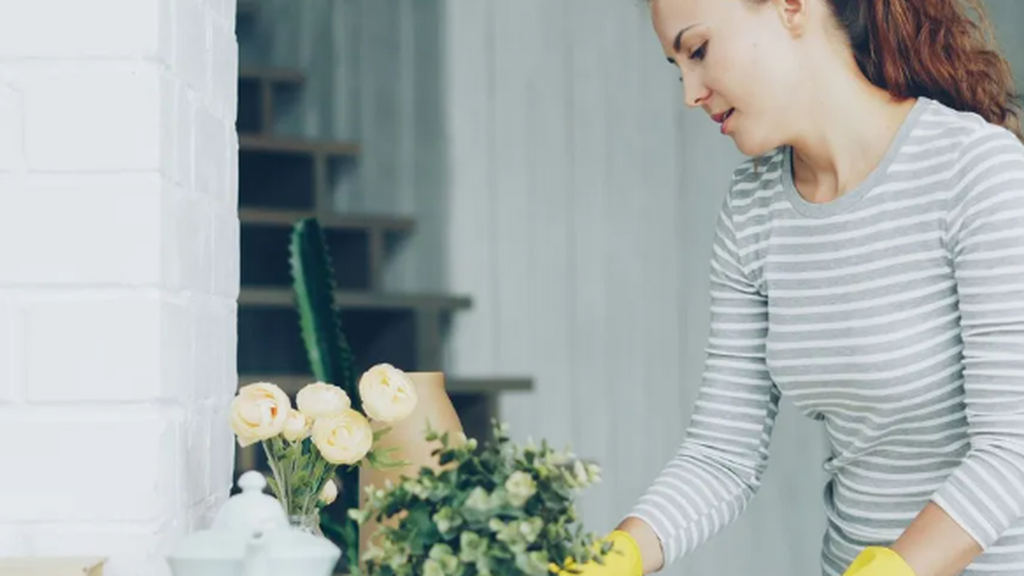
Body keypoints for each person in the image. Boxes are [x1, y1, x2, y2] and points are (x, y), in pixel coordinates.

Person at [562, 0, 1024, 575]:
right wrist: (617, 556)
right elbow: (722, 455)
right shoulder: (753, 210)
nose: (690, 92)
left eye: (699, 50)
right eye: (677, 66)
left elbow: (1013, 452)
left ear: (791, 8)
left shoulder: (975, 170)